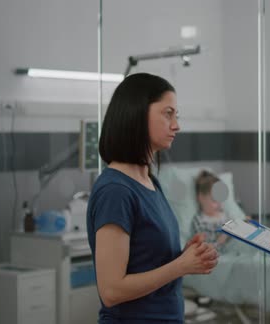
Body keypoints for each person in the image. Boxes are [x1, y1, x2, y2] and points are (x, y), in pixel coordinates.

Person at [86, 73, 218, 324]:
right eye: (168, 113)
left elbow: (146, 262)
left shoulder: (149, 181)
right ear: (137, 114)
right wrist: (180, 266)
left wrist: (185, 256)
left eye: (176, 115)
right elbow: (111, 291)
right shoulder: (116, 191)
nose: (176, 125)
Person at [190, 170, 230, 249]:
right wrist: (219, 241)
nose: (219, 204)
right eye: (214, 200)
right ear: (201, 197)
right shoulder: (199, 221)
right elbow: (203, 249)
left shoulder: (224, 215)